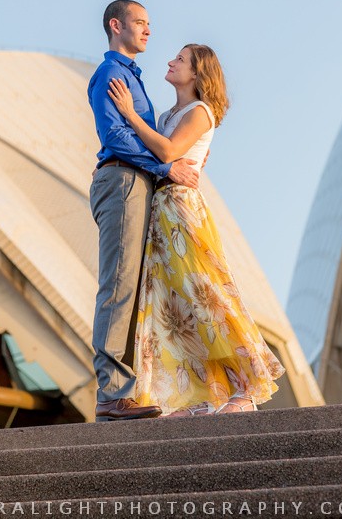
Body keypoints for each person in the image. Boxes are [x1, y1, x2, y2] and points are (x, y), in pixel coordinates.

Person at [107, 43, 285, 416]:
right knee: (173, 306)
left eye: (180, 59)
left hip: (181, 210)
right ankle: (202, 393)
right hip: (162, 210)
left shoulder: (200, 111)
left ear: (197, 73)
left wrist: (129, 115)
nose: (171, 62)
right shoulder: (171, 112)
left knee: (204, 294)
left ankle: (244, 386)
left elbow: (169, 152)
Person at [88, 0, 200, 422]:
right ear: (116, 26)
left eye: (150, 24)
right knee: (118, 285)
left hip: (137, 183)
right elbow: (115, 135)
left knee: (133, 289)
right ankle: (112, 393)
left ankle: (126, 390)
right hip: (123, 180)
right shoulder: (111, 75)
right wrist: (165, 166)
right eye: (140, 23)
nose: (148, 30)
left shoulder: (132, 77)